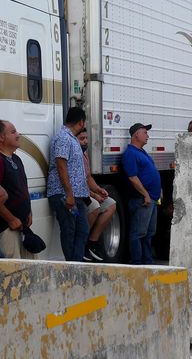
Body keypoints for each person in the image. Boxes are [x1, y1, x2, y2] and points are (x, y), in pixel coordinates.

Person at [0, 120, 36, 259]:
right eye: (13, 132)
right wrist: (11, 219)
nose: (18, 135)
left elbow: (22, 187)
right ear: (0, 136)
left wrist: (28, 210)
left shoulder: (16, 158)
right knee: (12, 271)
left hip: (22, 227)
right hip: (7, 228)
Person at [47, 107, 90, 262]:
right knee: (70, 230)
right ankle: (72, 268)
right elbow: (61, 164)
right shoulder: (63, 137)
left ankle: (76, 263)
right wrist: (69, 194)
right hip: (65, 196)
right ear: (81, 122)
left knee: (82, 230)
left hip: (77, 195)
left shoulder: (70, 137)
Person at [122, 123, 162, 265]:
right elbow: (133, 177)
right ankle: (137, 263)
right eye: (145, 133)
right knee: (138, 233)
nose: (148, 136)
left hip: (151, 198)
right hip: (142, 199)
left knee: (149, 233)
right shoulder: (130, 154)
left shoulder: (142, 152)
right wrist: (145, 194)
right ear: (136, 135)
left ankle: (147, 262)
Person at [77, 129, 117, 261]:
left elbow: (88, 178)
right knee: (94, 206)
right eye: (82, 138)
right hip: (79, 193)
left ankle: (92, 242)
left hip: (88, 191)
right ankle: (81, 242)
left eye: (86, 138)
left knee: (111, 204)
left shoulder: (85, 153)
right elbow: (76, 183)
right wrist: (94, 195)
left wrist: (99, 190)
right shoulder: (74, 154)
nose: (86, 141)